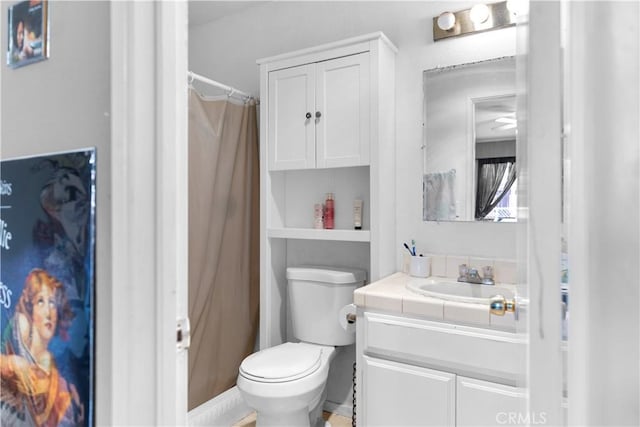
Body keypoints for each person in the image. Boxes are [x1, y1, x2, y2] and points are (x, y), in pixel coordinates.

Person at [0, 269, 84, 426]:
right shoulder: (11, 355)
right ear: (30, 308)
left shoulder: (63, 390)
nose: (48, 312)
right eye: (41, 301)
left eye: (52, 303)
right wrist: (10, 364)